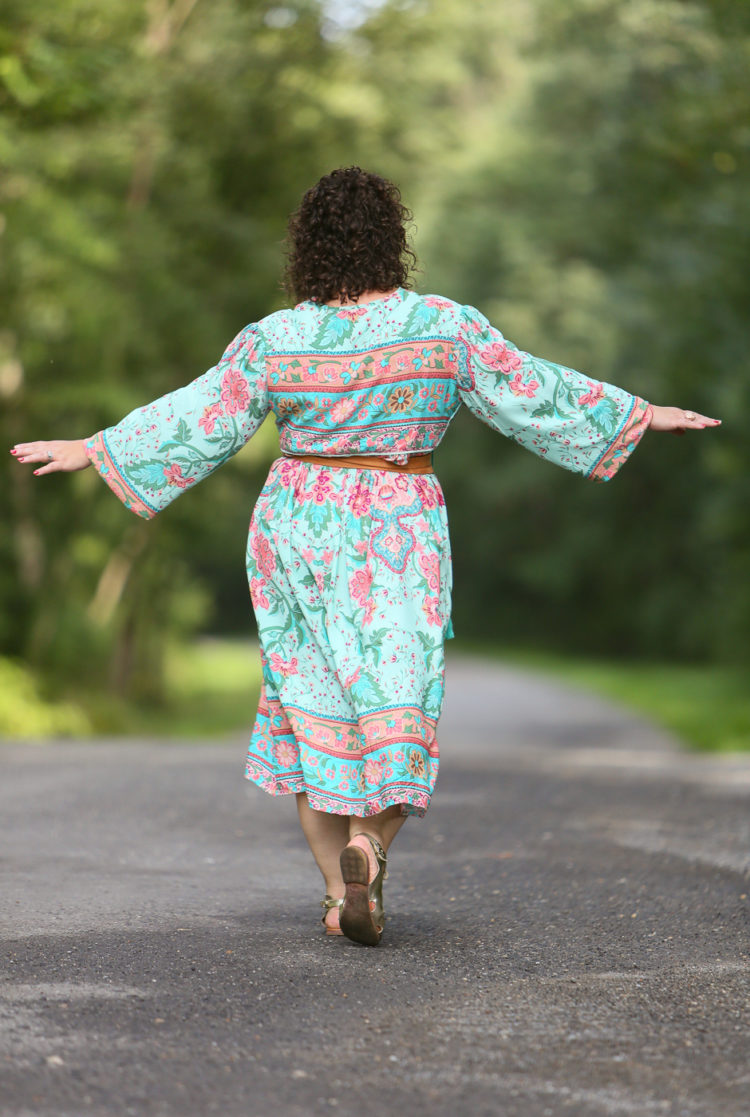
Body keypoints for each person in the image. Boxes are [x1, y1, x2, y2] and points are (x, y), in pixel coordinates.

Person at [10, 166, 720, 947]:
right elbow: (531, 391)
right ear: (393, 240)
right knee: (398, 696)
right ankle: (370, 848)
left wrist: (94, 447)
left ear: (306, 247)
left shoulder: (275, 339)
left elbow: (200, 417)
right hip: (396, 521)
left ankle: (335, 892)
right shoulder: (444, 327)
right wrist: (638, 413)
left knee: (310, 704)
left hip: (296, 524)